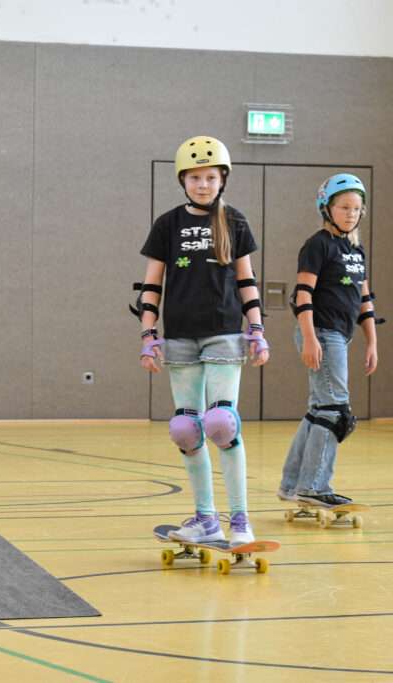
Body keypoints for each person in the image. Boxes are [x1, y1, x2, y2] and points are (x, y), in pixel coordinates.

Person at [136, 136, 269, 546]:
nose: (203, 184)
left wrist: (257, 328)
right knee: (186, 429)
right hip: (180, 336)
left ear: (222, 179)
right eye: (195, 177)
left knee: (221, 423)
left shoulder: (235, 222)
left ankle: (241, 521)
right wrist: (147, 334)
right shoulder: (168, 224)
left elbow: (246, 280)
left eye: (211, 177)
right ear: (183, 180)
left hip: (225, 332)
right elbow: (151, 284)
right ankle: (205, 519)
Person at [279, 173, 380, 506]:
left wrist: (372, 343)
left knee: (318, 410)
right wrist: (309, 338)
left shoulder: (355, 249)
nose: (351, 213)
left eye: (356, 208)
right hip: (321, 331)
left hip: (340, 334)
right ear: (327, 208)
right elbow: (303, 294)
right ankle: (314, 487)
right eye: (344, 207)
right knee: (336, 410)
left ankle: (293, 484)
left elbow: (364, 301)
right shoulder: (318, 245)